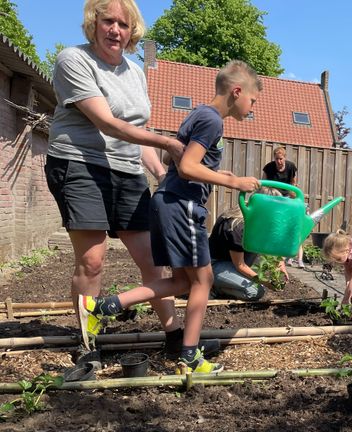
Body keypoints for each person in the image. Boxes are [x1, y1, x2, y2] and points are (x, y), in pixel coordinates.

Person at [77, 60, 263, 373]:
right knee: (203, 280)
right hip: (182, 206)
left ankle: (102, 306)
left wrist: (215, 172)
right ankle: (190, 357)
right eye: (253, 100)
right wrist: (234, 182)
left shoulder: (198, 113)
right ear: (236, 91)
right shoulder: (213, 121)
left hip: (168, 202)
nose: (252, 107)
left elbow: (172, 156)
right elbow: (188, 167)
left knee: (180, 281)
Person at [45, 0, 193, 355]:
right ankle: (87, 341)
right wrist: (169, 143)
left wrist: (161, 173)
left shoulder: (135, 71)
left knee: (152, 260)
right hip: (79, 164)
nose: (115, 30)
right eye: (108, 21)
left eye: (123, 25)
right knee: (93, 260)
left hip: (126, 171)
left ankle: (173, 336)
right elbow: (108, 123)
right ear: (93, 23)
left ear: (132, 32)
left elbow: (136, 128)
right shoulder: (73, 60)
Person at [208, 186, 289, 300]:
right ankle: (214, 286)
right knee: (255, 291)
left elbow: (272, 243)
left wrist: (280, 263)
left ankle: (228, 282)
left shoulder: (259, 219)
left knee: (261, 270)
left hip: (235, 262)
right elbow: (240, 265)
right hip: (214, 265)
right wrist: (265, 282)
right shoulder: (237, 225)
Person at [262, 146, 304, 268]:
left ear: (284, 158)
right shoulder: (269, 168)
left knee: (287, 224)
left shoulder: (291, 167)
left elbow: (293, 182)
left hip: (286, 196)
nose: (279, 162)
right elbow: (263, 183)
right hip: (273, 196)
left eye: (281, 159)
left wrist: (293, 194)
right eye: (276, 159)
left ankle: (287, 255)